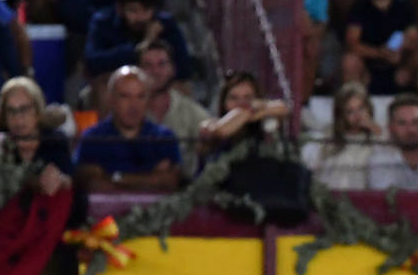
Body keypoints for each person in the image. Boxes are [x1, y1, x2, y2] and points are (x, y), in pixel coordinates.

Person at [0, 76, 82, 275]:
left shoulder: (55, 145)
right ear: (3, 116)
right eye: (12, 111)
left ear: (38, 112)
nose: (19, 118)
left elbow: (72, 199)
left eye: (25, 109)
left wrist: (62, 182)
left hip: (36, 247)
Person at [83, 0, 191, 109]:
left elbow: (183, 69)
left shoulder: (165, 24)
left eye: (146, 10)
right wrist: (140, 47)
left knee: (181, 87)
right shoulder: (103, 22)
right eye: (133, 11)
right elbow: (92, 62)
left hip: (156, 87)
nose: (141, 17)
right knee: (102, 86)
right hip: (117, 87)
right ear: (120, 9)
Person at [74, 65, 181, 192]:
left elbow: (169, 183)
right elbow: (95, 185)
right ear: (111, 99)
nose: (133, 105)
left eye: (140, 96)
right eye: (125, 96)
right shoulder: (92, 138)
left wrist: (114, 177)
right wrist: (151, 179)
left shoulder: (164, 137)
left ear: (148, 99)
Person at [140, 40, 209, 177]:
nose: (155, 71)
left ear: (172, 69)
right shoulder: (124, 111)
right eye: (148, 65)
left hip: (182, 190)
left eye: (162, 64)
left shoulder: (193, 113)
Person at [198, 70, 292, 161]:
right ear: (224, 102)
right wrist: (247, 113)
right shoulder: (213, 123)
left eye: (248, 97)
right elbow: (217, 130)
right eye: (233, 98)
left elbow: (283, 108)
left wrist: (257, 111)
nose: (241, 103)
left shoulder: (262, 122)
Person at [306, 80, 381, 191]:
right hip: (333, 193)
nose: (357, 115)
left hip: (363, 194)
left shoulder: (378, 135)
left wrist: (374, 129)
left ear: (368, 108)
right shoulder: (329, 135)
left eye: (361, 108)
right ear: (341, 114)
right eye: (350, 111)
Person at [367, 94, 418, 191]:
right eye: (402, 123)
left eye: (416, 122)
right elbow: (387, 200)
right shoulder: (379, 157)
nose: (411, 130)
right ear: (390, 128)